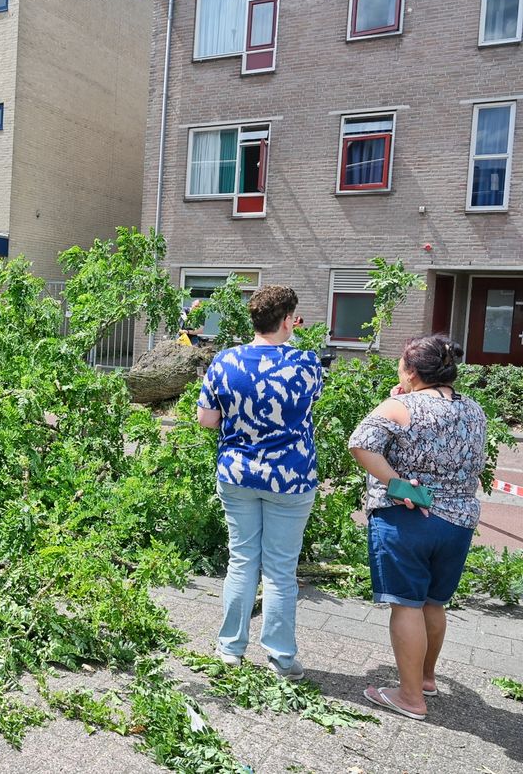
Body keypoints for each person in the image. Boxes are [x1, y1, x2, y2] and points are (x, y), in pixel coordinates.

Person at [348, 335, 486, 721]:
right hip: (458, 522)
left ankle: (410, 698)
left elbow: (359, 444)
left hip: (407, 519)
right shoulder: (473, 409)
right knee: (433, 602)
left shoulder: (399, 407)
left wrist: (398, 484)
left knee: (405, 604)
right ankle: (426, 678)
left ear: (410, 370)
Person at [197, 285, 323, 680]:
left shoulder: (225, 361)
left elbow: (206, 420)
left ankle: (230, 650)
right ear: (287, 321)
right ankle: (281, 660)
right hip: (291, 478)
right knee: (280, 572)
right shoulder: (306, 363)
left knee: (242, 561)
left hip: (237, 474)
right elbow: (305, 405)